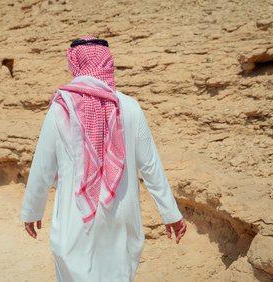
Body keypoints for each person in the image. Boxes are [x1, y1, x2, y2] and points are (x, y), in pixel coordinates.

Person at [20, 36, 186, 281]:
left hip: (75, 218)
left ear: (74, 64)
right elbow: (150, 166)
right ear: (108, 63)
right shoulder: (130, 107)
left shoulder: (61, 107)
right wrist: (170, 213)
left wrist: (32, 211)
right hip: (121, 217)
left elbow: (43, 166)